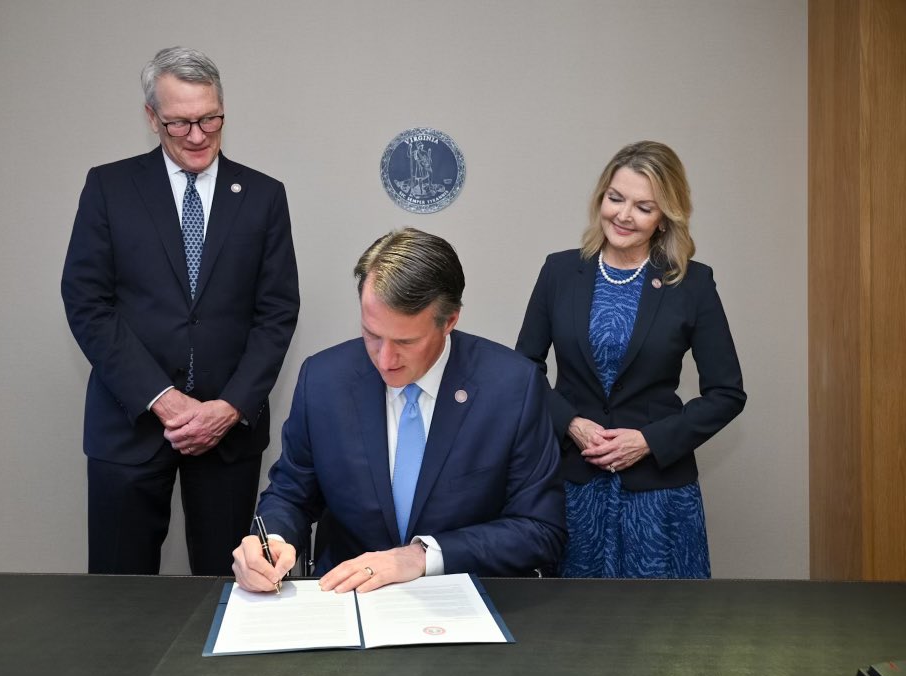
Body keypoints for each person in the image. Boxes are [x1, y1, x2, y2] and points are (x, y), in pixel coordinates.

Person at [61, 46, 299, 575]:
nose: (197, 136)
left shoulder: (263, 196)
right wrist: (162, 399)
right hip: (129, 424)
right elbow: (87, 302)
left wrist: (230, 407)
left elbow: (277, 312)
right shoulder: (110, 188)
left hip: (227, 433)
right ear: (152, 118)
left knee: (230, 586)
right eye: (180, 123)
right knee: (120, 596)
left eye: (210, 119)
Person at [232, 227, 565, 593]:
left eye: (406, 341)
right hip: (346, 597)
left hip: (459, 599)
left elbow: (540, 529)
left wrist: (422, 556)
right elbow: (291, 493)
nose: (385, 359)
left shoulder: (511, 387)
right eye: (372, 334)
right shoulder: (324, 380)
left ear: (450, 321)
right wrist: (272, 539)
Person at [515, 141, 746, 579]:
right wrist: (571, 424)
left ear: (665, 217)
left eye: (643, 207)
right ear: (600, 197)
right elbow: (524, 370)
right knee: (574, 616)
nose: (623, 215)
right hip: (575, 486)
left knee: (662, 618)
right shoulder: (559, 272)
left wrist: (648, 441)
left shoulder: (693, 283)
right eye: (615, 198)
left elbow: (727, 394)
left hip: (658, 496)